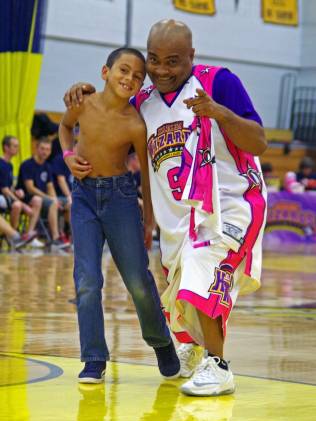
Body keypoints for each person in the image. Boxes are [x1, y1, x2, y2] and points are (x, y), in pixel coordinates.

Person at [64, 20, 267, 396]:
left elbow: (258, 142)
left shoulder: (220, 81)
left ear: (192, 56)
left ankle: (219, 366)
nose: (160, 70)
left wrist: (218, 112)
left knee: (200, 270)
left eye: (173, 61)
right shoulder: (144, 100)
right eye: (153, 60)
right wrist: (84, 94)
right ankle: (191, 347)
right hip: (179, 216)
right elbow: (105, 113)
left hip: (230, 204)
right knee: (175, 293)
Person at [59, 47, 180, 384]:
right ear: (105, 72)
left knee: (138, 282)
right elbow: (64, 129)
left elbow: (145, 174)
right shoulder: (82, 103)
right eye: (123, 70)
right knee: (86, 281)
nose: (130, 79)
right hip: (83, 198)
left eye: (138, 76)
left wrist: (149, 220)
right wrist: (68, 155)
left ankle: (161, 342)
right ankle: (94, 358)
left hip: (121, 199)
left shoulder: (135, 125)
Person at [16, 137, 68, 249]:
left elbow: (50, 186)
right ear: (36, 148)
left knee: (68, 203)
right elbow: (30, 188)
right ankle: (55, 238)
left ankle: (72, 237)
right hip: (27, 198)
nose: (45, 152)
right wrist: (51, 199)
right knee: (50, 202)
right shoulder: (27, 165)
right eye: (42, 149)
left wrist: (54, 198)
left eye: (47, 149)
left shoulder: (47, 166)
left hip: (43, 199)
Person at [0, 135, 43, 246]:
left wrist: (15, 191)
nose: (17, 148)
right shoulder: (1, 164)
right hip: (2, 197)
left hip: (5, 197)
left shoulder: (9, 165)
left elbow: (8, 187)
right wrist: (24, 205)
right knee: (18, 205)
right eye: (15, 146)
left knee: (26, 203)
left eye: (18, 146)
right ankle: (14, 236)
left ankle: (17, 237)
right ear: (6, 147)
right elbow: (4, 190)